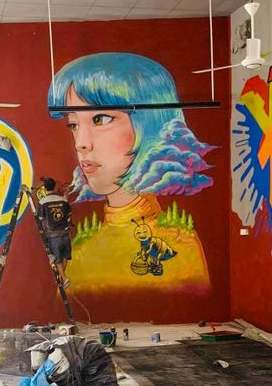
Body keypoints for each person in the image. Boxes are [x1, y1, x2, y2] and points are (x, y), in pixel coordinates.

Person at [47, 52, 213, 298]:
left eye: (100, 119)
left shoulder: (180, 245)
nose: (81, 143)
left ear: (150, 124)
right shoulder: (82, 250)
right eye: (73, 124)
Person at [37, 177, 73, 289]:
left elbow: (40, 218)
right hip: (65, 232)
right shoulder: (63, 200)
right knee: (65, 256)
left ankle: (64, 278)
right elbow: (69, 214)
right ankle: (62, 278)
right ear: (54, 186)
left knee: (57, 259)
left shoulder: (42, 202)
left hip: (52, 235)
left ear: (44, 188)